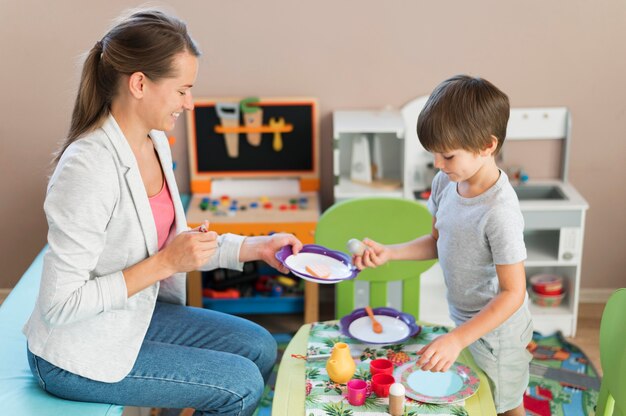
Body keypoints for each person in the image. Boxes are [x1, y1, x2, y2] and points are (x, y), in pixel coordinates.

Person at [23, 9, 302, 416]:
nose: (189, 104)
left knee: (259, 345)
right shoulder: (87, 168)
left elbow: (177, 244)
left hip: (134, 316)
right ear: (139, 84)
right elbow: (60, 305)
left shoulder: (154, 142)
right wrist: (164, 263)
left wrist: (258, 248)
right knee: (240, 387)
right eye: (182, 90)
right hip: (74, 352)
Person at [354, 75, 533, 416]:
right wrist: (391, 252)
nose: (437, 163)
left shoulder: (499, 212)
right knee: (474, 396)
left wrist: (458, 338)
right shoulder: (446, 183)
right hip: (465, 321)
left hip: (499, 333)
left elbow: (513, 293)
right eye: (435, 153)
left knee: (504, 403)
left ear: (487, 146)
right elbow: (438, 241)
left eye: (447, 155)